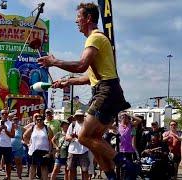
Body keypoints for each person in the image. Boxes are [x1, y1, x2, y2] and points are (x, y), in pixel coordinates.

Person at [37, 2, 131, 179]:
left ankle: (125, 163)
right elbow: (89, 77)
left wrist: (54, 61)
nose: (76, 21)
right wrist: (67, 82)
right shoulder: (97, 41)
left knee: (82, 136)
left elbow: (81, 65)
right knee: (94, 141)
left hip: (106, 91)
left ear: (88, 18)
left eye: (78, 17)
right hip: (109, 90)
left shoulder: (94, 38)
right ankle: (112, 176)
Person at [23, 114, 53, 180]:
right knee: (33, 167)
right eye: (37, 120)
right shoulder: (33, 127)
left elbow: (51, 140)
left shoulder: (47, 128)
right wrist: (28, 143)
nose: (39, 121)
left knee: (44, 167)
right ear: (35, 121)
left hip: (44, 151)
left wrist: (50, 151)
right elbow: (24, 135)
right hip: (33, 151)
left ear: (43, 120)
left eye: (40, 119)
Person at [65, 109, 90, 180]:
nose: (79, 117)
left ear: (83, 116)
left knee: (85, 170)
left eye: (80, 116)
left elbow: (89, 138)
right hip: (72, 151)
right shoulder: (72, 125)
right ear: (75, 117)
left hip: (84, 150)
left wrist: (77, 137)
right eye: (77, 116)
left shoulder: (87, 125)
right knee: (71, 170)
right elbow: (67, 137)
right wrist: (71, 137)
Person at [0, 109, 16, 180]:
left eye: (6, 114)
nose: (4, 115)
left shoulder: (11, 123)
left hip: (7, 146)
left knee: (8, 163)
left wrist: (6, 130)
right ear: (0, 115)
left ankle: (8, 177)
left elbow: (13, 135)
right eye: (3, 114)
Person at [11, 116, 25, 180]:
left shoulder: (21, 128)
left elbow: (28, 133)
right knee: (7, 162)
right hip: (9, 147)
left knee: (19, 162)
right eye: (14, 120)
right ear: (12, 121)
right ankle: (7, 176)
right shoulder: (9, 128)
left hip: (19, 147)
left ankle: (19, 176)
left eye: (16, 119)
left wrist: (26, 141)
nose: (15, 121)